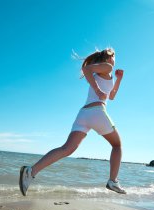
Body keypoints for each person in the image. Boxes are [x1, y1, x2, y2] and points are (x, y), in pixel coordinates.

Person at [19, 47, 125, 196]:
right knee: (117, 145)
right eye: (114, 57)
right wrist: (97, 89)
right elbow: (87, 68)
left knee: (67, 149)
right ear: (109, 57)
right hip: (97, 112)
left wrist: (119, 79)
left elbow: (111, 96)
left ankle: (31, 171)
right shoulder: (107, 66)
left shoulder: (106, 73)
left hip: (83, 115)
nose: (115, 60)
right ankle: (113, 181)